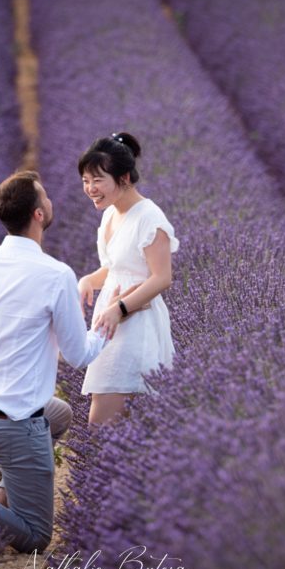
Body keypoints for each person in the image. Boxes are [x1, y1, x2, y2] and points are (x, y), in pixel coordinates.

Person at [0, 170, 118, 553]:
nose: (51, 202)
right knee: (35, 536)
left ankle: (7, 488)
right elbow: (78, 354)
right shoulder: (55, 275)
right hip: (14, 421)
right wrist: (106, 322)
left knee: (61, 415)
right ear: (37, 214)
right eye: (46, 197)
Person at [77, 132, 178, 426]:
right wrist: (88, 280)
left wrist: (119, 309)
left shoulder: (150, 218)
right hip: (111, 322)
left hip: (135, 325)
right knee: (120, 424)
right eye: (85, 180)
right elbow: (115, 267)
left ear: (123, 178)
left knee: (102, 424)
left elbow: (162, 278)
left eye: (98, 180)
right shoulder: (110, 214)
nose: (90, 189)